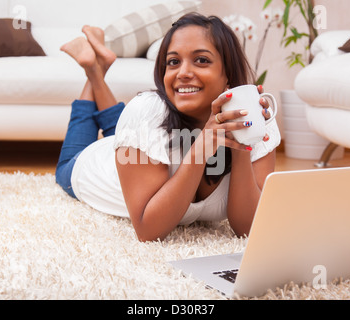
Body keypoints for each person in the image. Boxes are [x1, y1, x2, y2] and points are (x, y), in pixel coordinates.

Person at [56, 13, 281, 242]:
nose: (183, 73)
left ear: (228, 75)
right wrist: (200, 149)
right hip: (96, 166)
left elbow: (248, 228)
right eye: (173, 62)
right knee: (67, 164)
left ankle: (98, 66)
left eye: (201, 60)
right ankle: (94, 71)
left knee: (128, 128)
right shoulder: (146, 112)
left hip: (143, 150)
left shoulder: (257, 117)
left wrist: (242, 141)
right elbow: (148, 231)